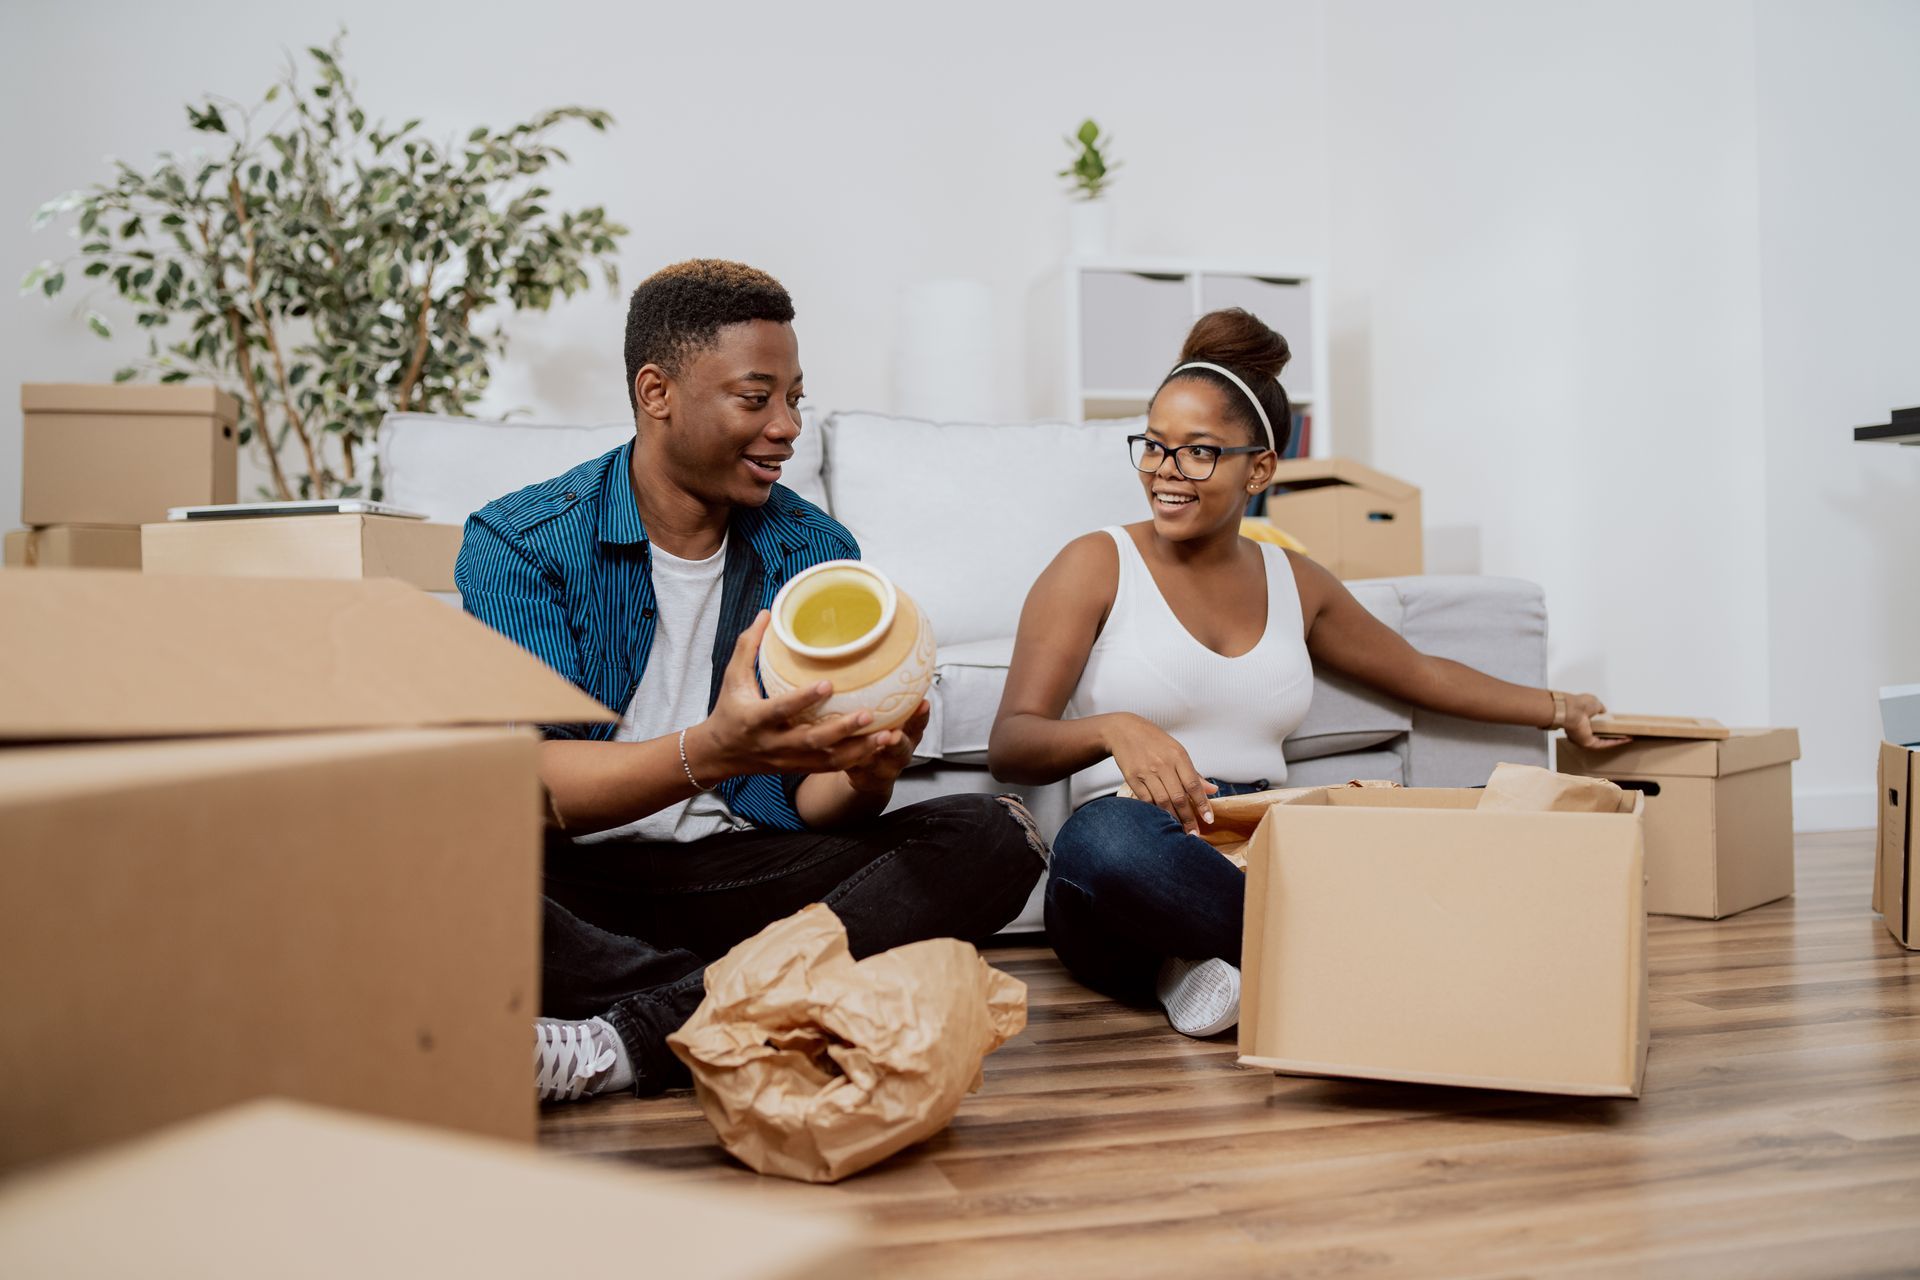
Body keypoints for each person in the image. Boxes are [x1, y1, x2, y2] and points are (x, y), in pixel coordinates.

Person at [456, 260, 1045, 1101]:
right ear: (657, 392)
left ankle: (625, 1040)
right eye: (756, 397)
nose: (786, 427)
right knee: (437, 869)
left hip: (739, 875)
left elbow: (811, 804)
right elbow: (535, 786)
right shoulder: (521, 543)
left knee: (993, 836)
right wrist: (714, 750)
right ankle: (776, 998)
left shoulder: (814, 553)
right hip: (574, 887)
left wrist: (864, 776)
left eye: (795, 398)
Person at [986, 307, 1625, 1039]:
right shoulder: (1095, 563)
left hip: (1252, 843)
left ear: (1260, 468)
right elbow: (1012, 743)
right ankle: (1383, 964)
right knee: (1105, 850)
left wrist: (1558, 706)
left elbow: (1419, 672)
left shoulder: (1297, 581)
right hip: (1129, 851)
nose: (1165, 470)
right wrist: (1114, 730)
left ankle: (1196, 965)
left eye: (1198, 452)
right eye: (1154, 446)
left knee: (1361, 845)